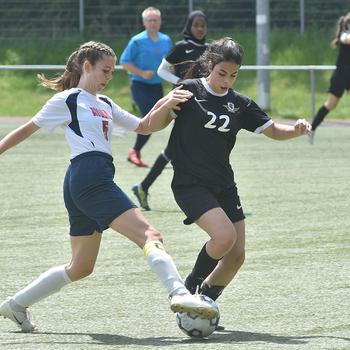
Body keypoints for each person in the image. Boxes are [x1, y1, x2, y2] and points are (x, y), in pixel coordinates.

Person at [0, 41, 219, 333]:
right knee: (150, 234)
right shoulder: (68, 99)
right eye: (104, 70)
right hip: (89, 176)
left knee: (80, 267)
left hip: (85, 180)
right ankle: (179, 292)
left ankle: (14, 306)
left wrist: (167, 102)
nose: (107, 78)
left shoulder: (104, 103)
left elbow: (144, 126)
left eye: (112, 73)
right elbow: (26, 129)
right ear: (86, 66)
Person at [153, 37, 311, 308]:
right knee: (224, 238)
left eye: (233, 75)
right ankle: (188, 287)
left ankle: (204, 301)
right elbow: (153, 124)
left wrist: (294, 130)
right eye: (222, 73)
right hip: (190, 184)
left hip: (224, 185)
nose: (227, 80)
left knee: (236, 255)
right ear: (210, 66)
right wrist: (166, 105)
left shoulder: (240, 103)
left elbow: (273, 130)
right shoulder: (188, 90)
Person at [131, 10, 208, 210]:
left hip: (202, 104)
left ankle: (143, 186)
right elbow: (161, 70)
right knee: (186, 148)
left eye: (203, 25)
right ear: (189, 27)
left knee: (180, 149)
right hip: (183, 103)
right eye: (196, 25)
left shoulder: (210, 50)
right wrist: (181, 82)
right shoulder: (181, 47)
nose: (199, 29)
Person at [120, 6, 172, 167]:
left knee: (155, 122)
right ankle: (134, 151)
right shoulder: (137, 41)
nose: (153, 23)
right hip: (139, 85)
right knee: (148, 119)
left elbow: (171, 64)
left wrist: (174, 82)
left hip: (157, 87)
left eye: (155, 20)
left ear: (160, 21)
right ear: (144, 22)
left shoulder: (167, 40)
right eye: (149, 20)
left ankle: (134, 152)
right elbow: (124, 62)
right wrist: (142, 73)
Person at [309, 12, 350, 144]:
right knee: (330, 105)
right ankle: (311, 128)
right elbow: (347, 39)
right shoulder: (344, 36)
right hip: (341, 76)